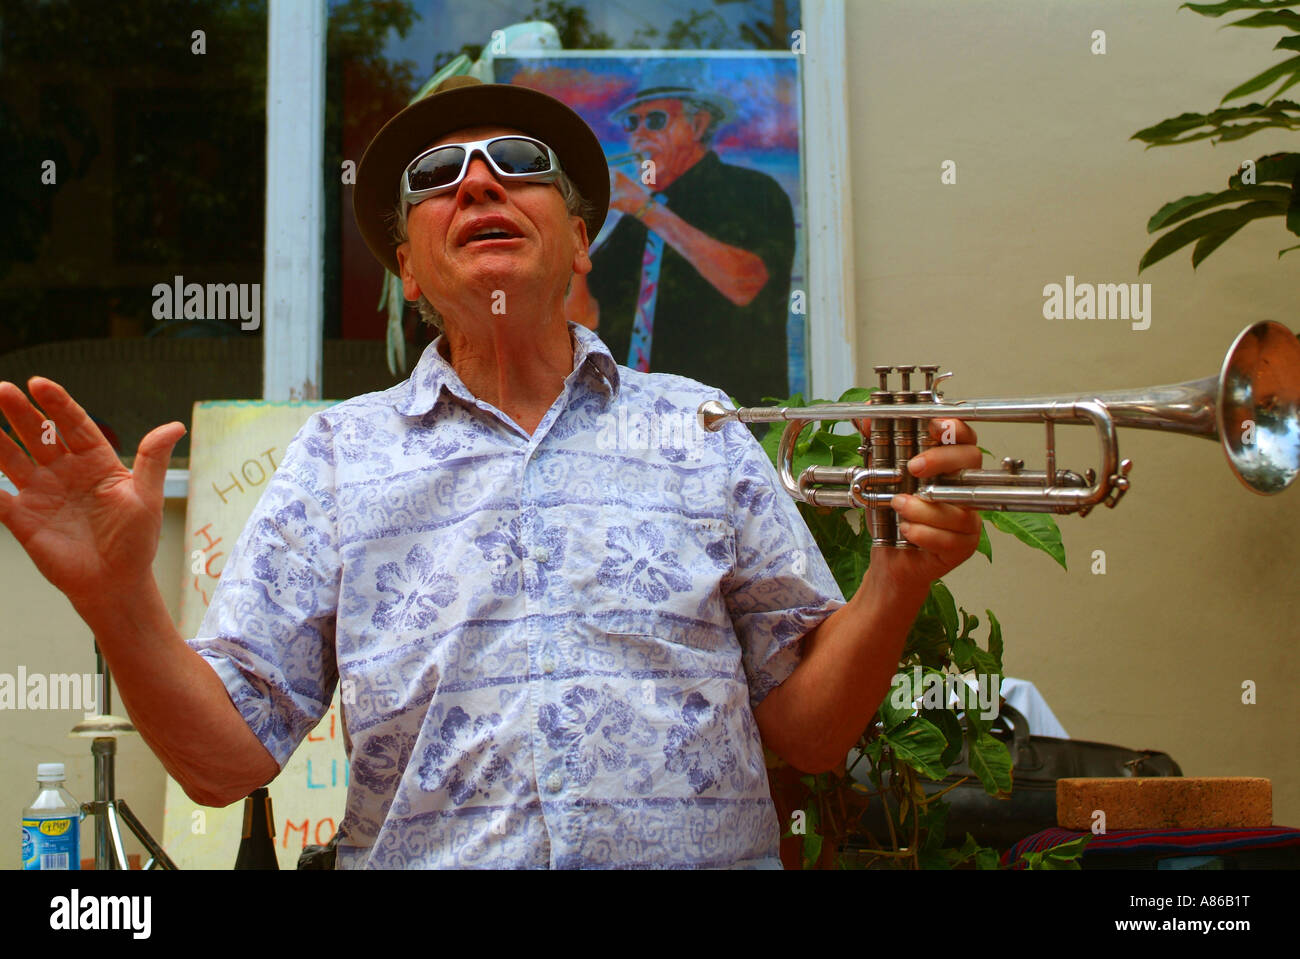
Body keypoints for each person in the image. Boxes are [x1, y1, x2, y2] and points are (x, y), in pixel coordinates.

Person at [0, 76, 983, 869]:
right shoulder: (340, 457)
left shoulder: (700, 425)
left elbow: (811, 736)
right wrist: (119, 599)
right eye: (438, 176)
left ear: (575, 237)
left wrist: (897, 578)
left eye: (517, 167)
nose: (477, 185)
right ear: (408, 274)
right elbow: (222, 764)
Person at [566, 64, 794, 408]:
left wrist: (646, 209)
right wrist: (575, 230)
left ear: (698, 125)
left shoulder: (751, 192)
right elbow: (584, 319)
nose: (640, 134)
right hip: (637, 420)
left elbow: (745, 282)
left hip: (727, 418)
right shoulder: (635, 220)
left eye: (655, 120)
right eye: (632, 123)